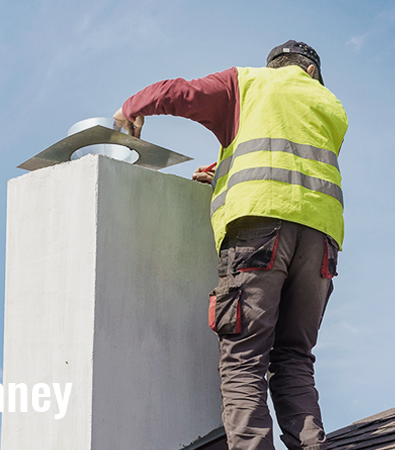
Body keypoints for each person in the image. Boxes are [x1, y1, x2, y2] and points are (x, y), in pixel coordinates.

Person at [113, 40, 348, 450]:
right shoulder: (331, 105)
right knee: (294, 357)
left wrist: (131, 107)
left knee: (243, 358)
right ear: (311, 71)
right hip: (321, 242)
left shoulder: (247, 83)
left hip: (258, 233)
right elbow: (288, 157)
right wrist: (223, 169)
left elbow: (180, 93)